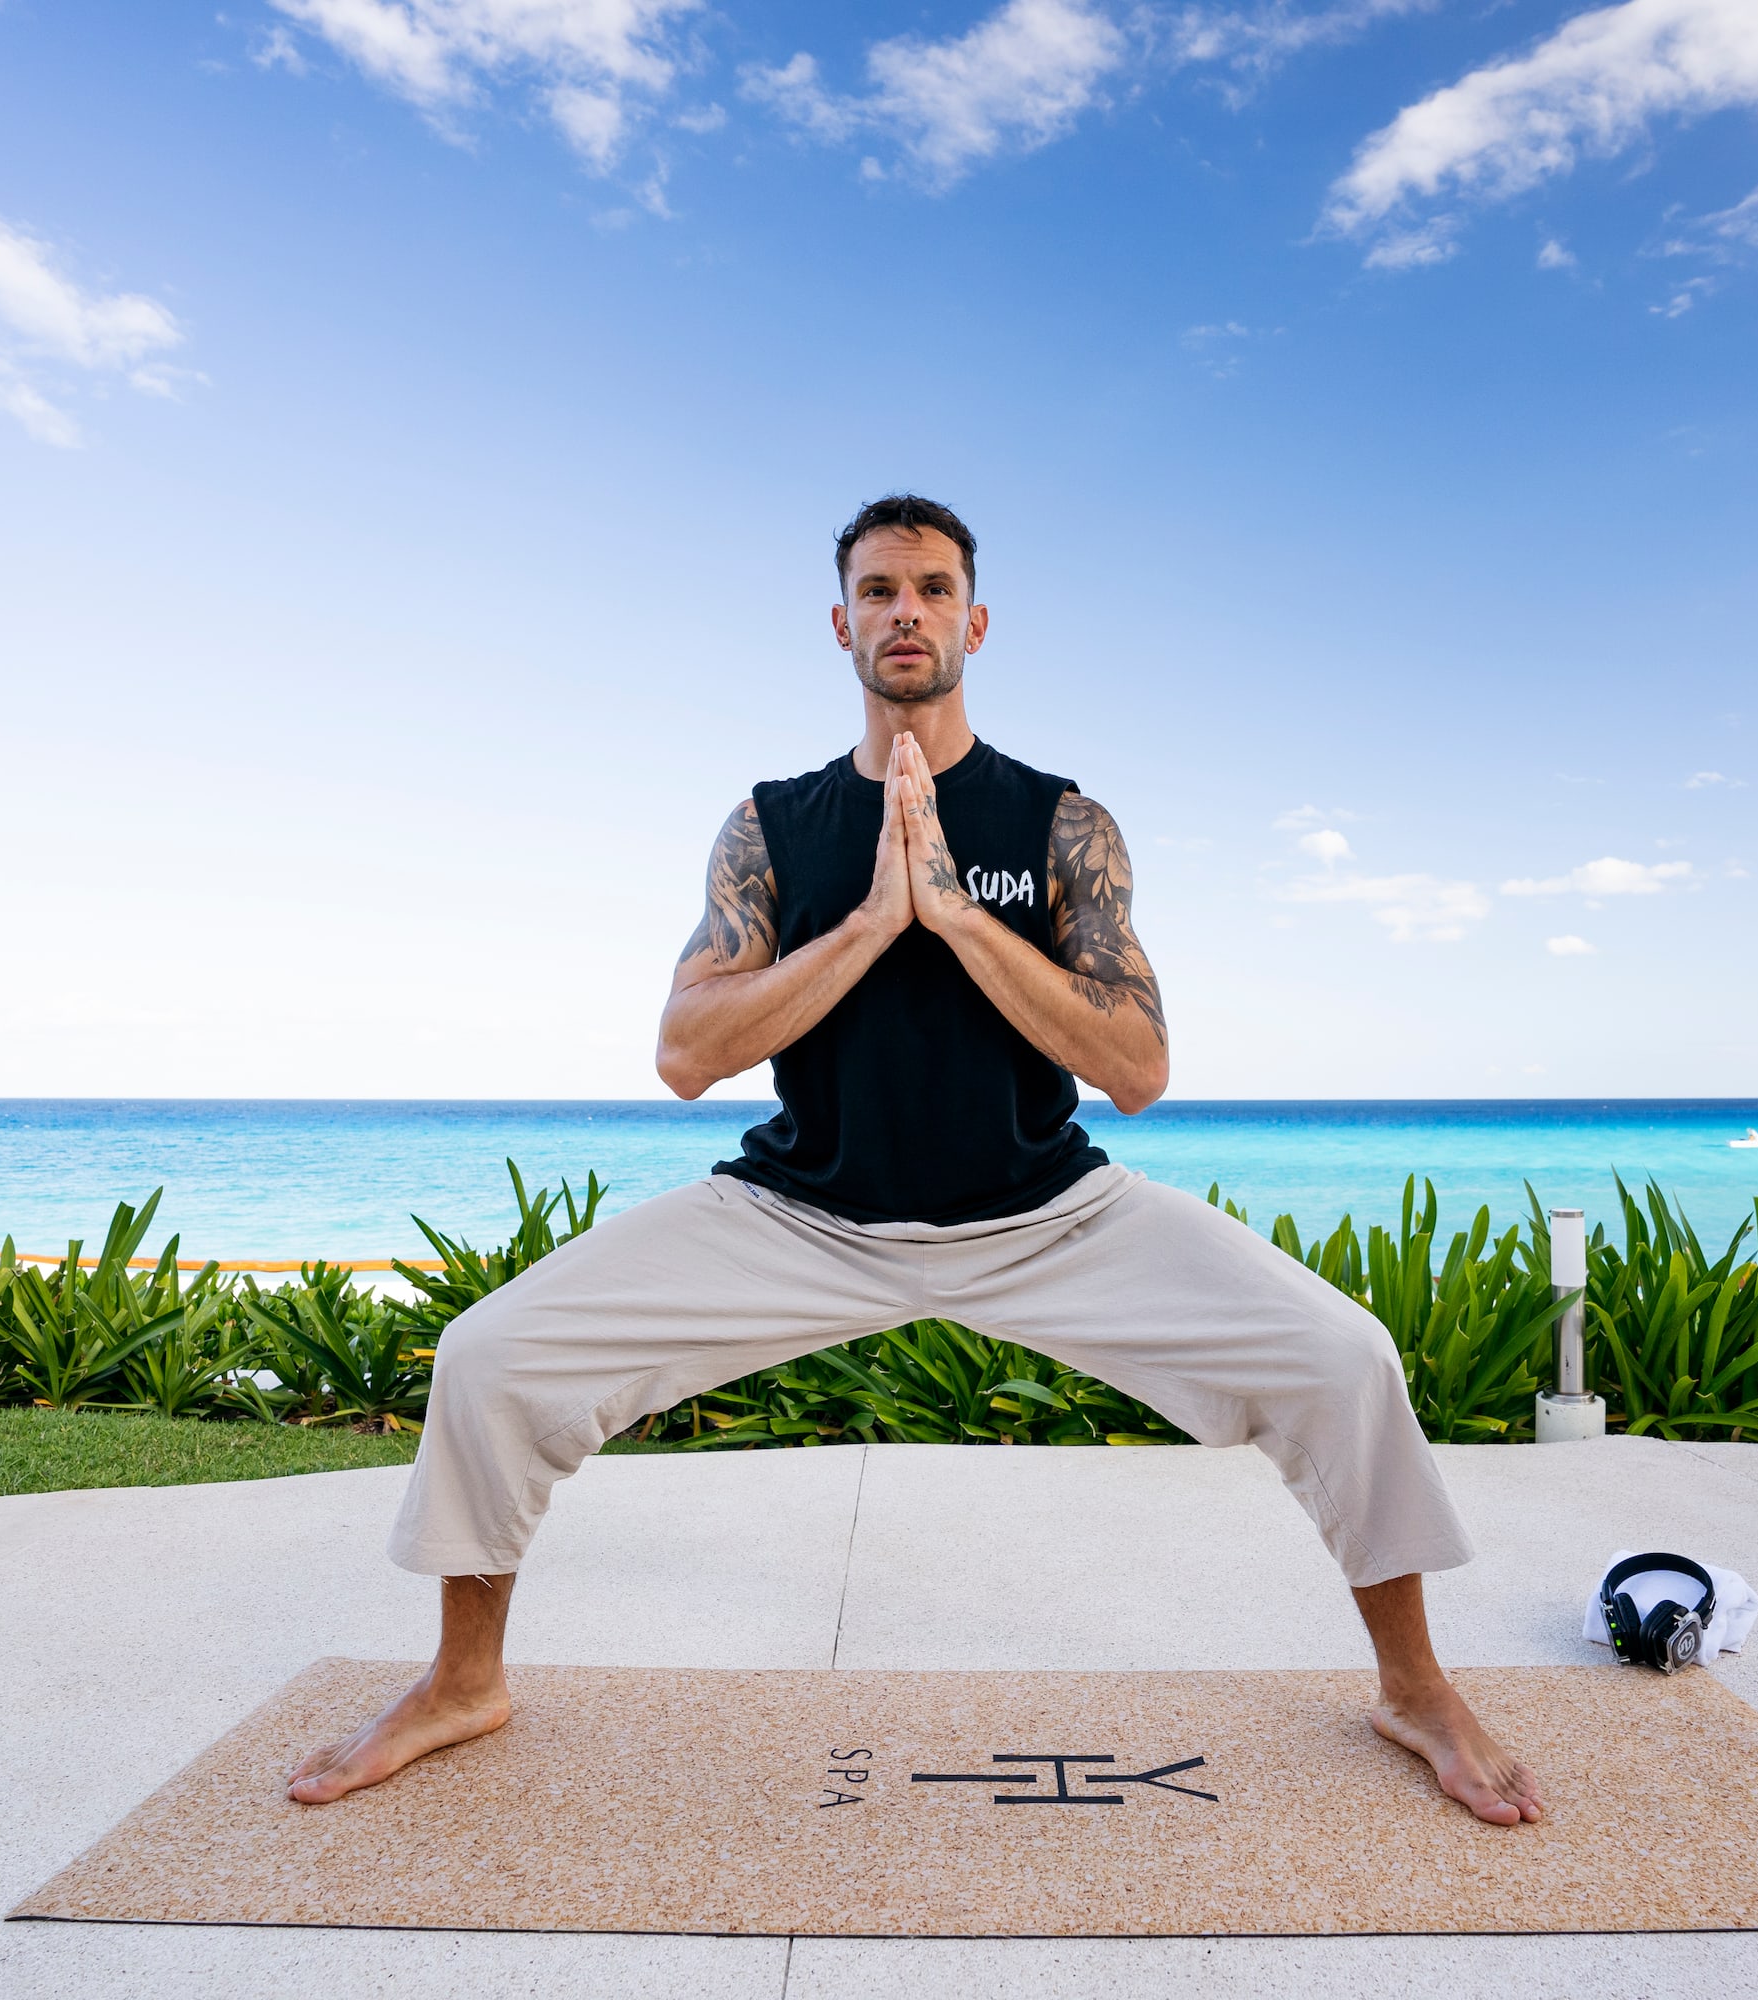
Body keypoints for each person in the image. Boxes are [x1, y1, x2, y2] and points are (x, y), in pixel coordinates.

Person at [289, 494, 1542, 1827]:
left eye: (933, 589)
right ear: (840, 623)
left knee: (1342, 1359)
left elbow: (1138, 1068)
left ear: (975, 623)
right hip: (801, 1215)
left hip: (1047, 1213)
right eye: (879, 590)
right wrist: (871, 923)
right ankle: (464, 1683)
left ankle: (1414, 1689)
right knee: (492, 1357)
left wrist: (952, 915)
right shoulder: (771, 826)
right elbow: (686, 1054)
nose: (906, 612)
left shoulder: (1062, 822)